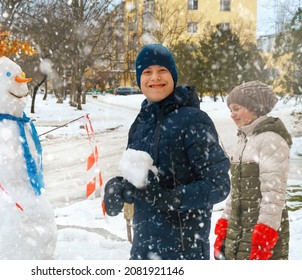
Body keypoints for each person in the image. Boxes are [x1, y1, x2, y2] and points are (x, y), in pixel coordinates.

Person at [103, 44, 231, 260]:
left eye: (162, 70)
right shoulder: (141, 122)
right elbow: (143, 181)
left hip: (183, 253)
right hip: (143, 250)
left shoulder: (193, 120)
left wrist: (171, 198)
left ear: (173, 75)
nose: (155, 77)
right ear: (139, 79)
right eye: (147, 72)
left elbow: (219, 185)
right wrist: (119, 188)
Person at [213, 81, 292, 260]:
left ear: (254, 107)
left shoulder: (270, 141)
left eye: (236, 108)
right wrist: (224, 228)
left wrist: (263, 238)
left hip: (260, 229)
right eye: (230, 110)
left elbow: (273, 195)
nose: (232, 115)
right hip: (239, 227)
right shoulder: (244, 140)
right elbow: (236, 192)